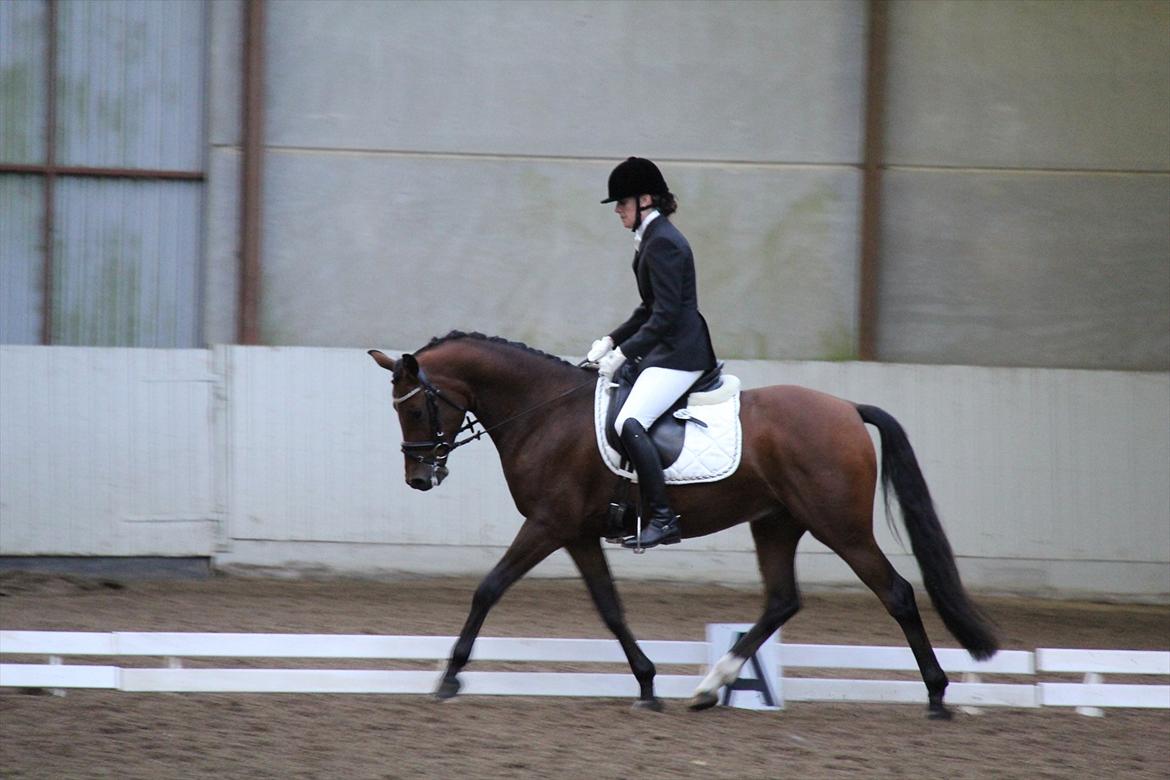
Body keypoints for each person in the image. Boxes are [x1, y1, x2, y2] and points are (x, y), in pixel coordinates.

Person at [586, 157, 718, 549]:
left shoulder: (663, 242)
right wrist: (610, 340)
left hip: (682, 354)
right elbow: (647, 309)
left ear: (645, 199)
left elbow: (665, 315)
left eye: (622, 202)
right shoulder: (652, 238)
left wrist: (623, 353)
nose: (617, 210)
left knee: (630, 421)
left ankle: (662, 518)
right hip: (668, 347)